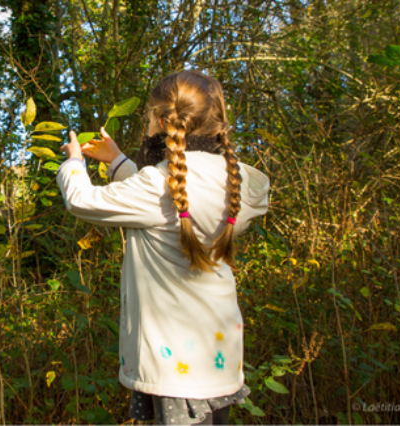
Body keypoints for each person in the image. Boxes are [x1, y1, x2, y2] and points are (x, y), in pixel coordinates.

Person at [56, 70, 271, 425]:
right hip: (219, 357)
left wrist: (74, 162)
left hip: (172, 366)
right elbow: (172, 202)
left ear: (160, 121)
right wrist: (118, 163)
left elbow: (82, 200)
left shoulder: (157, 184)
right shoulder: (241, 182)